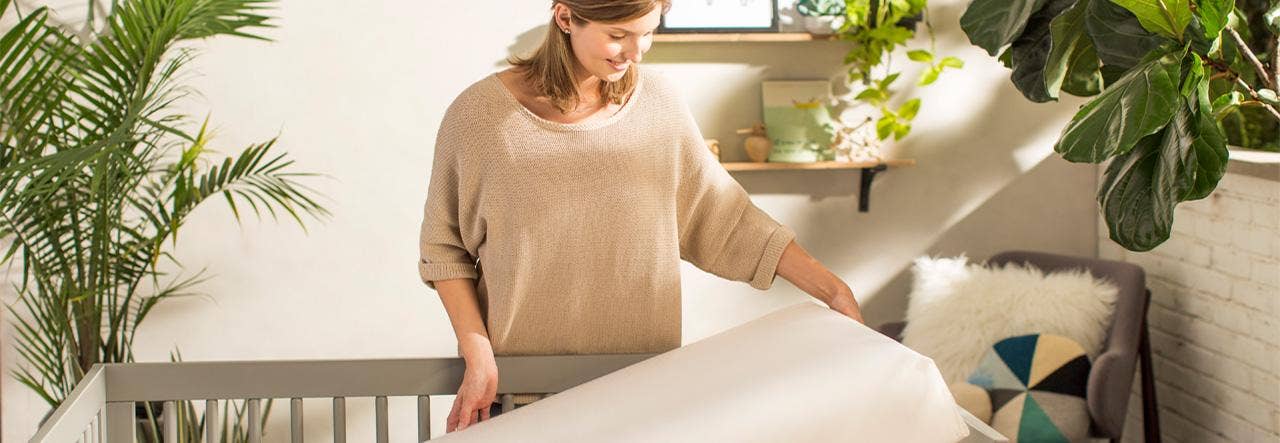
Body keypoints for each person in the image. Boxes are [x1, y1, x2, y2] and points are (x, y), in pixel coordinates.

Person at [418, 0, 865, 434]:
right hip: (520, 396)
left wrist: (833, 289)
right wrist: (477, 354)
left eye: (649, 32)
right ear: (566, 17)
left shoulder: (659, 102)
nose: (636, 52)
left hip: (646, 393)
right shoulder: (478, 115)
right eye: (619, 36)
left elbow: (724, 217)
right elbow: (445, 250)